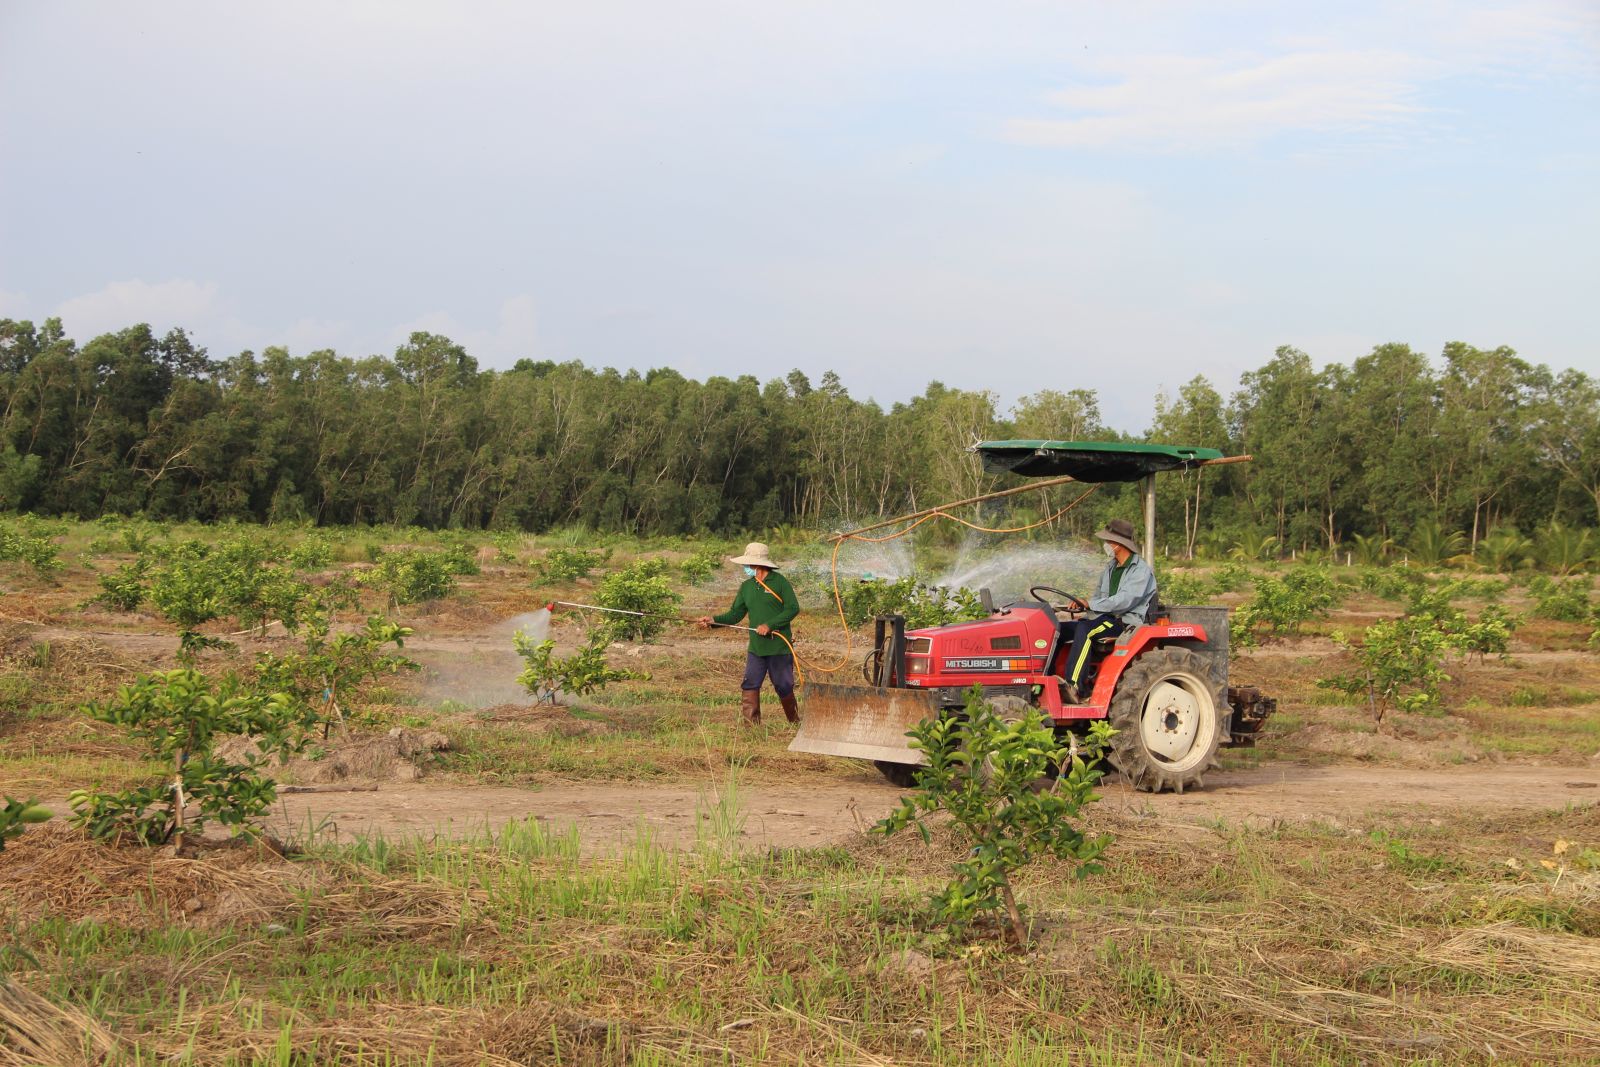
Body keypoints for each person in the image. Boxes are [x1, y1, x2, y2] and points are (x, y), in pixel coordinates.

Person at [696, 542, 802, 726]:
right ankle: (752, 728)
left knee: (783, 685)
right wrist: (713, 621)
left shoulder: (779, 582)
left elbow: (793, 608)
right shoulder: (746, 587)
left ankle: (794, 722)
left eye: (748, 565)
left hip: (778, 646)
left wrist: (770, 625)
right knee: (750, 683)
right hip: (756, 648)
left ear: (758, 564)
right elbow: (735, 614)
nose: (746, 568)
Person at [1062, 518, 1158, 701]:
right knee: (1060, 628)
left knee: (1085, 630)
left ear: (1119, 544)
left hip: (1124, 623)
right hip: (1105, 619)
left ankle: (1075, 687)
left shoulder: (1141, 571)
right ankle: (1050, 679)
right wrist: (1082, 604)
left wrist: (1091, 604)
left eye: (1108, 541)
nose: (1106, 544)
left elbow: (1124, 601)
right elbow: (1099, 597)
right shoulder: (1110, 568)